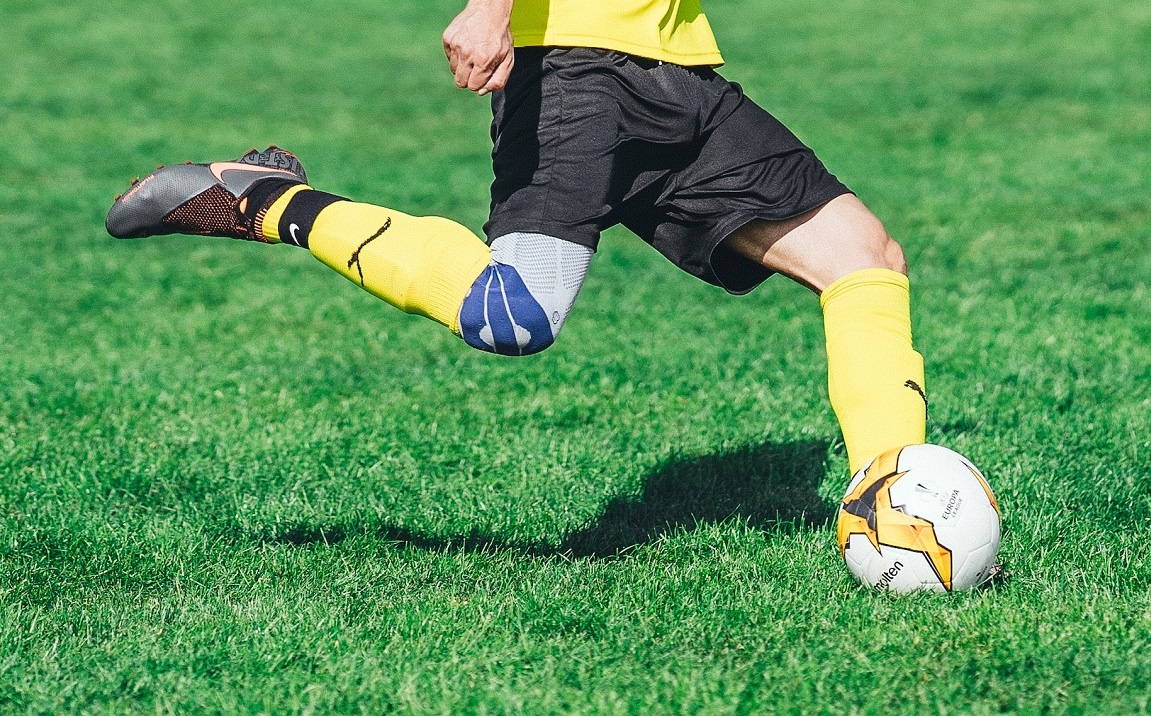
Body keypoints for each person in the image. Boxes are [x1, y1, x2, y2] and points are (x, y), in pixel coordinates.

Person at [106, 0, 927, 475]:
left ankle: (894, 493)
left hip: (675, 65)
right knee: (515, 315)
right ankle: (270, 201)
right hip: (573, 64)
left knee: (863, 259)